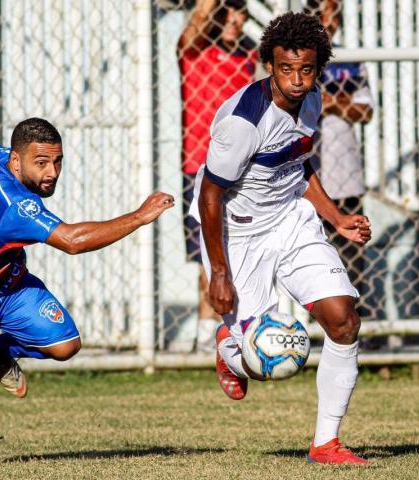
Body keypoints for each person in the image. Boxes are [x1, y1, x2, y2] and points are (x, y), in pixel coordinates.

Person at [0, 118, 174, 464]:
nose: (52, 172)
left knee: (65, 345)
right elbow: (72, 241)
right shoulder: (14, 205)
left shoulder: (2, 159)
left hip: (0, 285)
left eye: (57, 161)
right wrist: (139, 216)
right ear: (17, 161)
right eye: (42, 163)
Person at [189, 12, 372, 464]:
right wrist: (218, 273)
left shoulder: (312, 100)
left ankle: (325, 443)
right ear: (270, 64)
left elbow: (297, 162)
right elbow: (211, 196)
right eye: (286, 69)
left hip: (291, 219)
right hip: (240, 230)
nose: (296, 79)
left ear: (317, 67)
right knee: (261, 362)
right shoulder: (243, 121)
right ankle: (229, 347)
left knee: (344, 320)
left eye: (306, 70)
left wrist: (336, 218)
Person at [177, 0, 258, 350]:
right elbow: (198, 19)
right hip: (200, 165)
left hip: (244, 166)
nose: (234, 20)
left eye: (240, 12)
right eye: (227, 12)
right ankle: (207, 328)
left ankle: (240, 325)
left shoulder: (250, 55)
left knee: (245, 245)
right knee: (205, 252)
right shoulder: (195, 51)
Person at [305, 0, 373, 309]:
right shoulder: (300, 60)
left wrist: (331, 103)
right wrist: (335, 101)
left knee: (351, 256)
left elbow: (365, 109)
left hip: (346, 175)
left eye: (334, 15)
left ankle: (355, 318)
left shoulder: (351, 60)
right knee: (311, 253)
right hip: (308, 176)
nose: (328, 22)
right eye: (322, 14)